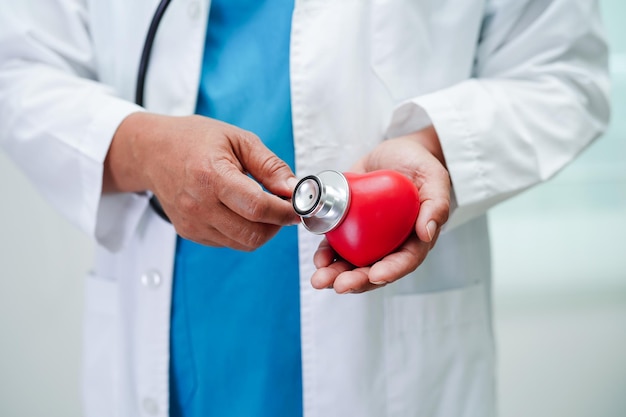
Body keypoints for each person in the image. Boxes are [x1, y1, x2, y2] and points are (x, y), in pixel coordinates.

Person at [0, 0, 610, 416]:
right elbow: (18, 65)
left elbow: (564, 75)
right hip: (183, 337)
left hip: (385, 357)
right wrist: (138, 147)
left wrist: (433, 145)